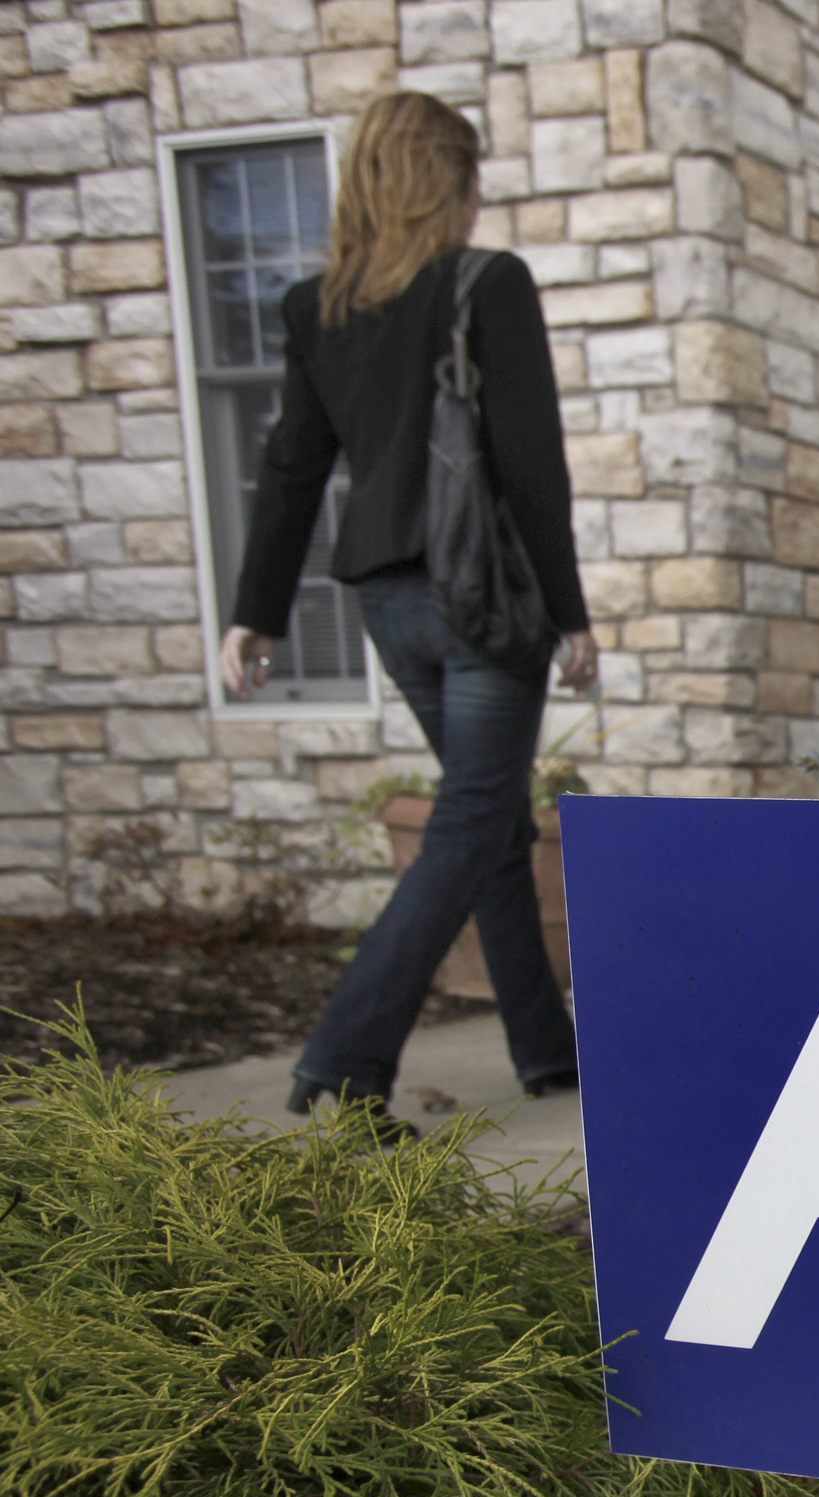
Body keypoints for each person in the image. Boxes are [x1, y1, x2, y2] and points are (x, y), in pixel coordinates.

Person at [219, 90, 599, 1123]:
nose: (481, 203)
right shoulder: (489, 284)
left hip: (391, 604)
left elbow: (291, 470)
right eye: (472, 179)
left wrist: (255, 611)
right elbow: (531, 468)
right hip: (481, 600)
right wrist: (571, 612)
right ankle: (343, 1061)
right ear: (450, 184)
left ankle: (546, 1048)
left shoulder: (321, 308)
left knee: (490, 819)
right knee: (475, 817)